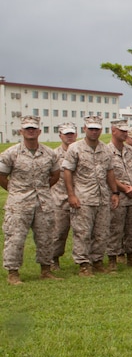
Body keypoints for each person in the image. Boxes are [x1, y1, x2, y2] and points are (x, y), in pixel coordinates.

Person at [0, 116, 62, 284]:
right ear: (21, 131)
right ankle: (13, 273)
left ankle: (46, 270)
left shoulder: (49, 153)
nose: (31, 131)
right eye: (27, 129)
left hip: (43, 202)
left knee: (46, 236)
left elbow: (55, 175)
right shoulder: (11, 153)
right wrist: (15, 191)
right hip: (19, 203)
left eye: (34, 128)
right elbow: (2, 176)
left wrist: (42, 189)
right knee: (15, 237)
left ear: (39, 131)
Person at [63, 115, 119, 277]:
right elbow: (67, 172)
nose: (94, 132)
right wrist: (71, 195)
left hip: (102, 197)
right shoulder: (75, 148)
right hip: (83, 197)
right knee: (82, 232)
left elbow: (110, 172)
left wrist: (114, 192)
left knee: (102, 232)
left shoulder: (105, 149)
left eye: (97, 129)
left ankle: (97, 261)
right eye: (91, 129)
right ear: (84, 129)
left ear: (101, 130)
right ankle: (83, 264)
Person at [105, 120, 132, 271]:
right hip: (117, 194)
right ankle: (113, 259)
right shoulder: (106, 151)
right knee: (115, 228)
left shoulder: (131, 151)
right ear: (113, 130)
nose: (125, 133)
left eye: (126, 131)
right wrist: (124, 188)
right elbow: (109, 175)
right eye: (121, 130)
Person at [50, 122, 78, 270]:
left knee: (83, 233)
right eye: (66, 134)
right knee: (59, 232)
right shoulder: (53, 155)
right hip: (60, 199)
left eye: (72, 134)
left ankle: (83, 260)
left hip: (81, 199)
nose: (70, 137)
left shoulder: (81, 151)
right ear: (60, 135)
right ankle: (53, 259)